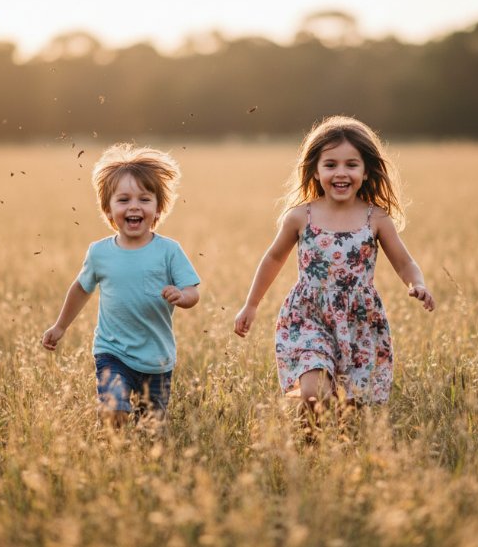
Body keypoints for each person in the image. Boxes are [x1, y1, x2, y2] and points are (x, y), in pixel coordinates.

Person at [233, 116, 434, 422]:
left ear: (366, 171)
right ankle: (312, 448)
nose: (341, 173)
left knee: (351, 408)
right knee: (315, 392)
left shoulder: (376, 218)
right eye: (330, 165)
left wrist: (416, 283)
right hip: (309, 314)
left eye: (351, 165)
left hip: (359, 320)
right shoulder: (301, 216)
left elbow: (404, 261)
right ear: (315, 170)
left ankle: (339, 454)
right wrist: (251, 304)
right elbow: (273, 258)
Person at [42, 144, 200, 428]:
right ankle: (112, 452)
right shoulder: (99, 253)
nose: (134, 207)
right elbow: (81, 289)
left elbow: (193, 292)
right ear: (108, 209)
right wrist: (60, 326)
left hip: (157, 359)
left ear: (158, 208)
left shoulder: (169, 251)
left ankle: (138, 463)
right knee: (114, 408)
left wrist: (182, 295)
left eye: (144, 199)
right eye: (123, 200)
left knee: (150, 429)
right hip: (112, 352)